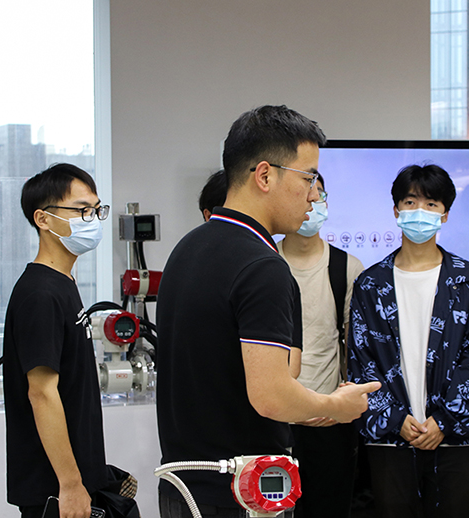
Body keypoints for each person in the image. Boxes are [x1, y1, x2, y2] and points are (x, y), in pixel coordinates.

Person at [156, 105, 380, 518]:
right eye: (308, 178)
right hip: (240, 493)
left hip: (184, 485)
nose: (314, 195)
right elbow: (272, 396)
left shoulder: (187, 249)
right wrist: (336, 406)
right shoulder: (262, 266)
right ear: (264, 175)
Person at [348, 164, 469, 518]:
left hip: (452, 436)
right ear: (396, 210)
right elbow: (361, 360)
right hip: (390, 436)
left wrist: (443, 420)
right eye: (411, 202)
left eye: (431, 204)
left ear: (445, 214)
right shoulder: (371, 284)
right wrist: (395, 418)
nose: (420, 212)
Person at [4, 163, 111, 518]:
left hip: (77, 481)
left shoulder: (63, 282)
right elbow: (42, 393)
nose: (91, 220)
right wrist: (70, 484)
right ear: (43, 219)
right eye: (81, 210)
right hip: (54, 491)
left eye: (95, 210)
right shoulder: (40, 294)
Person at [276, 173, 365, 518]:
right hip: (276, 419)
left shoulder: (346, 267)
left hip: (329, 421)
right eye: (306, 193)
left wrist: (340, 403)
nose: (313, 203)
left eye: (320, 196)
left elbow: (353, 347)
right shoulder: (264, 263)